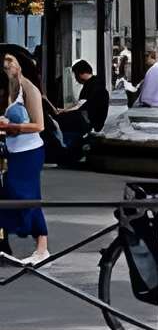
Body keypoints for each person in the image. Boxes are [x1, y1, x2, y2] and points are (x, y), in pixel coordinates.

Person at [2, 45, 49, 265]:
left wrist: (11, 126)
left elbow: (39, 125)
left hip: (29, 151)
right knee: (14, 194)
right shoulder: (12, 88)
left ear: (21, 63)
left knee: (25, 196)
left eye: (10, 60)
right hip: (15, 150)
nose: (6, 65)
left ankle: (42, 246)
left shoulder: (29, 89)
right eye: (5, 61)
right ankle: (12, 240)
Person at [49, 59, 110, 167]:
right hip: (91, 119)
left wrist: (64, 111)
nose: (76, 79)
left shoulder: (93, 86)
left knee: (58, 121)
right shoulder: (95, 84)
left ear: (82, 73)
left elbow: (82, 105)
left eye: (76, 75)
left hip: (89, 120)